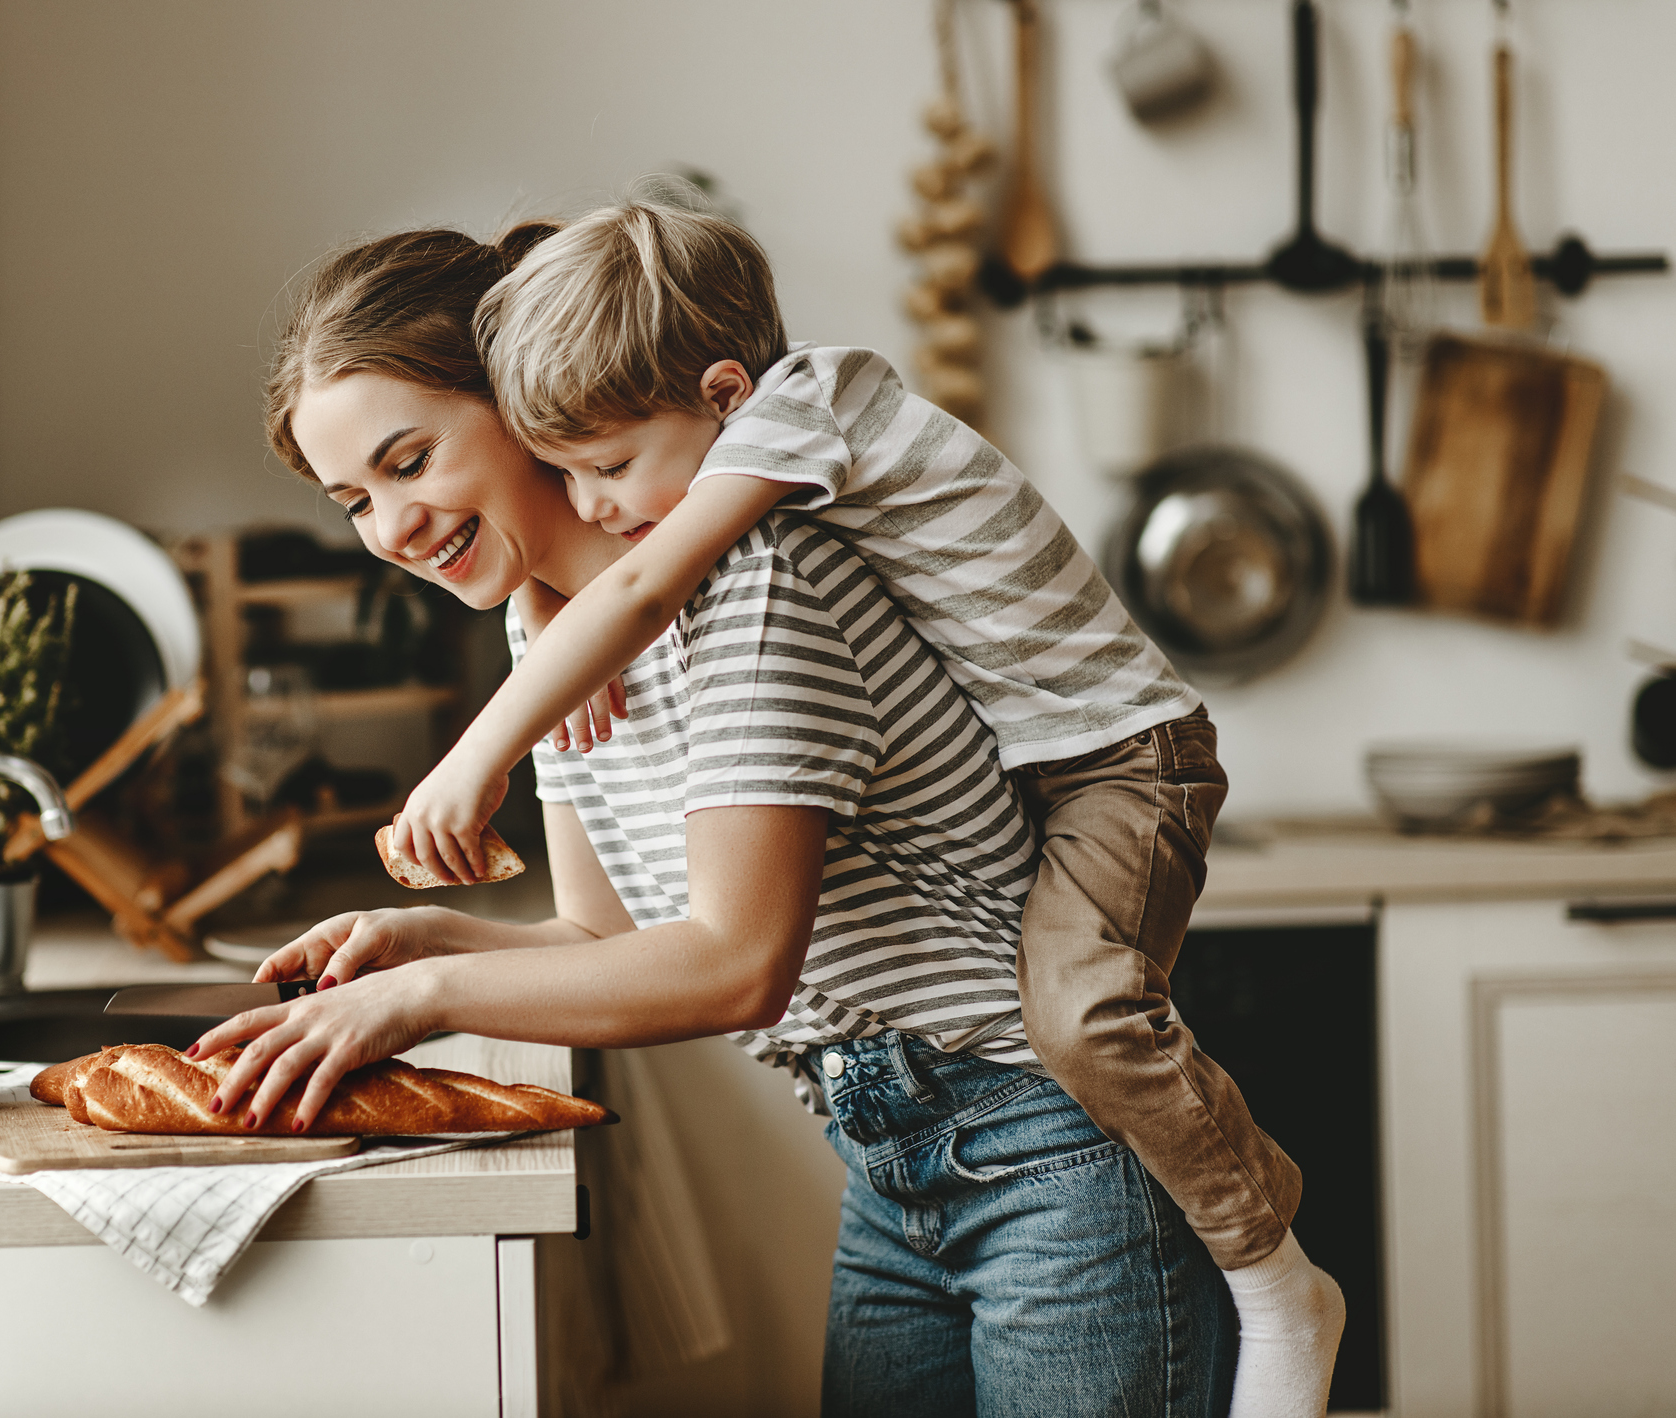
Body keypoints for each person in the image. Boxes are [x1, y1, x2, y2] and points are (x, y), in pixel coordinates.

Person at [188, 224, 1237, 1415]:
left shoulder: (754, 579)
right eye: (353, 501)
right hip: (892, 1164)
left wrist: (416, 1003)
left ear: (517, 394)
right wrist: (414, 941)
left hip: (1049, 1150)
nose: (391, 528)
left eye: (409, 460)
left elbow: (735, 963)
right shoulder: (544, 637)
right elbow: (596, 934)